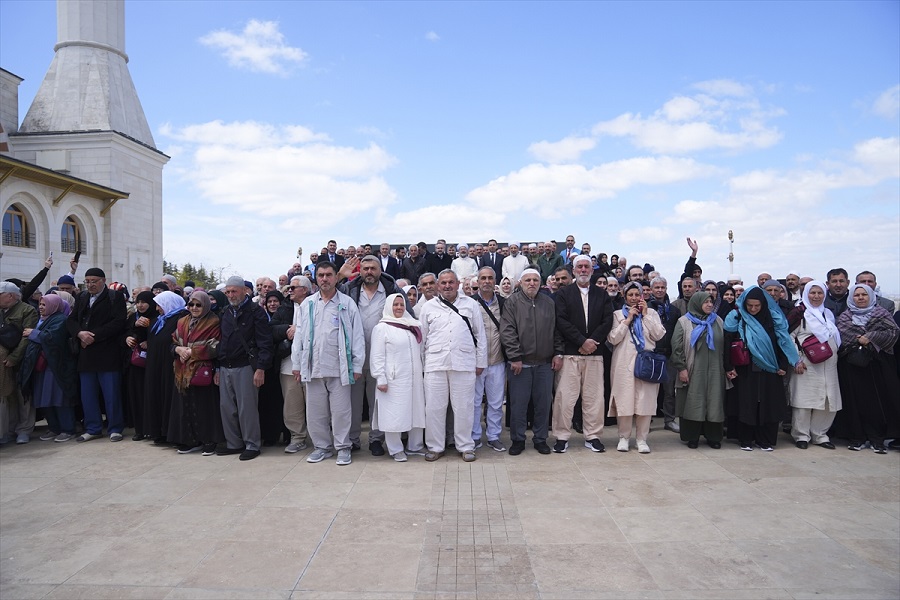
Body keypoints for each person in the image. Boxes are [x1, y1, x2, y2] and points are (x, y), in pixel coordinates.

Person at [293, 262, 365, 466]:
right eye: (321, 275)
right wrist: (297, 363)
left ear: (336, 277)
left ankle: (343, 447)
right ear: (316, 278)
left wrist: (357, 365)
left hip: (339, 367)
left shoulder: (347, 303)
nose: (325, 279)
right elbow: (299, 335)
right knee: (316, 412)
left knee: (341, 412)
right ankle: (321, 447)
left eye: (329, 275)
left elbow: (357, 335)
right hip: (313, 367)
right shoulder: (307, 304)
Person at [338, 255, 410, 455]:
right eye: (365, 268)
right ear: (360, 271)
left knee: (377, 402)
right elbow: (326, 294)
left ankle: (376, 439)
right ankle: (352, 440)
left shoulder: (391, 291)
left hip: (382, 359)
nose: (369, 272)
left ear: (380, 270)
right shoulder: (349, 290)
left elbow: (407, 317)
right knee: (352, 403)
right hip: (354, 357)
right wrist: (339, 276)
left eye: (373, 268)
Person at [418, 269, 487, 462]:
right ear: (438, 285)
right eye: (444, 283)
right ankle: (435, 446)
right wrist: (422, 367)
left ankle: (465, 446)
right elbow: (421, 339)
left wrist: (480, 362)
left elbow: (480, 335)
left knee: (464, 407)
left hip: (464, 364)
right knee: (434, 408)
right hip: (435, 364)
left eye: (451, 282)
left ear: (457, 284)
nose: (447, 286)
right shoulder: (428, 307)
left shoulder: (471, 304)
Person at [724, 286, 800, 451]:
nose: (752, 309)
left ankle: (764, 439)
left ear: (764, 305)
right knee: (745, 404)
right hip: (744, 369)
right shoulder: (737, 318)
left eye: (757, 306)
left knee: (768, 404)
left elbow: (783, 342)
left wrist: (782, 365)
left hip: (770, 368)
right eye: (749, 306)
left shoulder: (774, 319)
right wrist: (729, 366)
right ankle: (745, 439)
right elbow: (727, 342)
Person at [551, 254, 614, 453]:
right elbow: (561, 321)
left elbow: (607, 321)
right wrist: (581, 341)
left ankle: (592, 436)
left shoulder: (601, 294)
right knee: (565, 397)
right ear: (574, 271)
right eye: (580, 267)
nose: (584, 270)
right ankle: (561, 436)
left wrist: (592, 342)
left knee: (594, 398)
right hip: (571, 353)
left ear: (592, 270)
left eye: (587, 267)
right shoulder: (564, 294)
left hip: (595, 353)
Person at [833, 284, 900, 453]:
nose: (861, 298)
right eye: (857, 295)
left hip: (877, 366)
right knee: (855, 402)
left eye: (864, 295)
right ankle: (858, 437)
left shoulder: (882, 314)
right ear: (851, 298)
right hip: (853, 366)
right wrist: (861, 338)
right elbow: (843, 334)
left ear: (871, 296)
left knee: (878, 403)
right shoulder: (845, 317)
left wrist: (870, 337)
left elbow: (892, 332)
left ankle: (877, 439)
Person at [500, 269, 559, 455]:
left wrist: (558, 353)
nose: (531, 283)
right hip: (521, 364)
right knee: (519, 404)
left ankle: (540, 439)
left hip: (544, 363)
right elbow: (507, 331)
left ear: (540, 283)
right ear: (520, 282)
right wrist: (515, 357)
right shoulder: (512, 302)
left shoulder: (548, 302)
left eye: (535, 280)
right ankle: (518, 440)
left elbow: (557, 330)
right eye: (528, 280)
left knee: (543, 404)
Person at [66, 268, 128, 443]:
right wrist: (79, 334)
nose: (90, 284)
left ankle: (115, 428)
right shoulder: (82, 297)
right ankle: (93, 428)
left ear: (103, 280)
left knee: (111, 394)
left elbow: (118, 323)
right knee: (88, 394)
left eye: (94, 281)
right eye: (87, 281)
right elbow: (71, 320)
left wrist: (92, 336)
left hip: (107, 352)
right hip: (85, 353)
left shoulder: (114, 298)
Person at [216, 275, 273, 461]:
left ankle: (252, 444)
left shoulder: (256, 311)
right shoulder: (224, 312)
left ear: (244, 291)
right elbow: (222, 341)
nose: (231, 295)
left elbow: (265, 342)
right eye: (228, 292)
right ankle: (234, 443)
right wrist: (218, 367)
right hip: (226, 366)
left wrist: (261, 368)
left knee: (246, 409)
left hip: (246, 366)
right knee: (227, 407)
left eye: (234, 291)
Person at [607, 282, 666, 453]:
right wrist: (628, 320)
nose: (634, 298)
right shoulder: (617, 314)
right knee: (624, 400)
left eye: (636, 295)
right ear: (625, 297)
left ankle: (642, 439)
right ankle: (624, 437)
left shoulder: (652, 313)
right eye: (630, 295)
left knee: (645, 401)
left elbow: (659, 334)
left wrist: (645, 315)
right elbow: (613, 338)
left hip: (646, 362)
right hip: (623, 363)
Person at [369, 294, 427, 461]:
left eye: (402, 304)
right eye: (395, 305)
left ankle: (415, 446)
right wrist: (380, 377)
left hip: (414, 379)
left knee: (416, 412)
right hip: (393, 380)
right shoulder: (382, 328)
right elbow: (377, 356)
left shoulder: (412, 325)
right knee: (393, 415)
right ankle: (395, 449)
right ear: (389, 307)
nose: (399, 308)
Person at [671, 291, 733, 448]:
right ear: (697, 303)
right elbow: (677, 347)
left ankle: (714, 437)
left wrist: (728, 367)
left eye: (711, 302)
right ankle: (692, 437)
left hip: (715, 370)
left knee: (714, 402)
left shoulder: (717, 320)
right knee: (693, 402)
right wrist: (681, 368)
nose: (710, 305)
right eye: (705, 302)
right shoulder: (684, 322)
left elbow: (725, 345)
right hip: (693, 369)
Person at [787, 281, 842, 449]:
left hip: (829, 364)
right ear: (806, 294)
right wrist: (796, 360)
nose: (816, 296)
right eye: (813, 293)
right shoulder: (799, 313)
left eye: (820, 293)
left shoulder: (828, 314)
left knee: (827, 400)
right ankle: (801, 435)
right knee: (803, 400)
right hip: (805, 364)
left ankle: (820, 435)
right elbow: (788, 337)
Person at [18, 294, 78, 443]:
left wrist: (34, 333)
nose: (41, 307)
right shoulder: (42, 320)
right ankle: (54, 427)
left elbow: (53, 339)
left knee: (59, 399)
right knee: (44, 399)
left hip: (55, 367)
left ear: (54, 306)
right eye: (40, 304)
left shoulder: (60, 320)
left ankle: (67, 429)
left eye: (44, 305)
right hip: (41, 367)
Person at [172, 291, 224, 455]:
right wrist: (178, 349)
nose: (194, 308)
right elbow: (172, 342)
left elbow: (216, 346)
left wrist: (191, 352)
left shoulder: (214, 322)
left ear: (206, 305)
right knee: (186, 407)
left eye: (198, 305)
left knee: (205, 408)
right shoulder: (182, 322)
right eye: (191, 304)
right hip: (183, 371)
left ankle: (208, 440)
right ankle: (190, 440)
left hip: (203, 371)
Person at [272, 276, 312, 454]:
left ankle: (321, 438)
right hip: (288, 365)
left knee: (316, 404)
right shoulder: (284, 309)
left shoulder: (314, 306)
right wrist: (289, 328)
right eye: (289, 288)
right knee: (292, 404)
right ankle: (297, 437)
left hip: (313, 364)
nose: (290, 291)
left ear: (305, 289)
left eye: (293, 288)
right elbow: (271, 329)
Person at [144, 290, 188, 446]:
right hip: (156, 365)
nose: (157, 309)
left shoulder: (181, 318)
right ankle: (158, 431)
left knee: (169, 397)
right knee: (156, 396)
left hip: (170, 366)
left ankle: (170, 433)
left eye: (160, 305)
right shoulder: (160, 320)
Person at [470, 267, 507, 452]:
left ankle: (493, 436)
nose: (486, 281)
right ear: (477, 280)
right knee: (475, 402)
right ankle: (475, 436)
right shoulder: (470, 303)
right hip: (476, 363)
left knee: (495, 402)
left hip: (498, 360)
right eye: (483, 278)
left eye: (490, 278)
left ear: (495, 281)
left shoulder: (504, 303)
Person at [648, 276, 682, 433]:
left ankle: (669, 420)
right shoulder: (646, 308)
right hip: (651, 355)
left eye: (662, 287)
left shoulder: (674, 310)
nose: (660, 290)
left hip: (669, 355)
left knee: (669, 391)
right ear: (652, 289)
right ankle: (645, 420)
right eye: (657, 287)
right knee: (649, 390)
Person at [124, 290, 156, 440]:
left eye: (144, 302)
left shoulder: (157, 317)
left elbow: (161, 337)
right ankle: (139, 429)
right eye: (138, 302)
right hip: (134, 364)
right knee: (135, 395)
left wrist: (150, 343)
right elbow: (123, 332)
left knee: (149, 395)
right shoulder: (132, 318)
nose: (141, 305)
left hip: (151, 364)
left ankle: (151, 428)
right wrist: (128, 337)